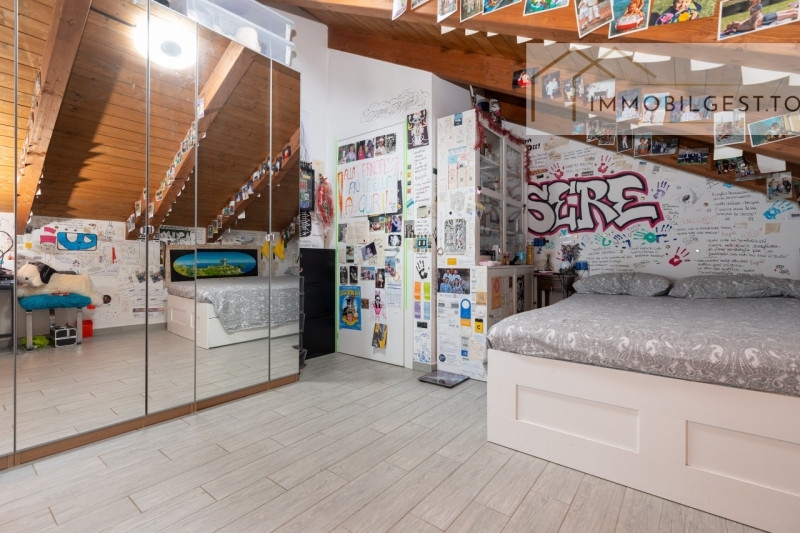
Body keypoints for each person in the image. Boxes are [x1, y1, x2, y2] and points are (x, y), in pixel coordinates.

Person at [721, 1, 798, 35]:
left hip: (764, 17)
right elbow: (753, 27)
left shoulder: (740, 24)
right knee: (792, 14)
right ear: (733, 26)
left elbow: (750, 19)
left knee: (790, 10)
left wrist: (756, 14)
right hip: (766, 20)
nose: (734, 21)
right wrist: (755, 16)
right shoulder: (741, 27)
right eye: (733, 23)